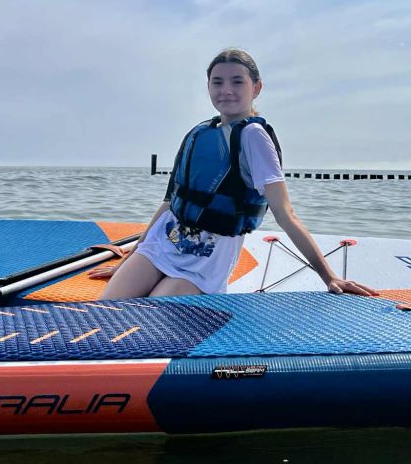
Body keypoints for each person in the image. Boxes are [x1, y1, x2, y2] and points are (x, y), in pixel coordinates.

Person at [94, 48, 378, 299]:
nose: (226, 90)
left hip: (203, 263)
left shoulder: (253, 137)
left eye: (237, 81)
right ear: (208, 87)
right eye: (217, 82)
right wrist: (127, 261)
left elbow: (285, 215)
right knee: (107, 308)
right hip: (161, 246)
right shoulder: (199, 133)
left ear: (256, 88)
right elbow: (169, 204)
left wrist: (329, 276)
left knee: (148, 319)